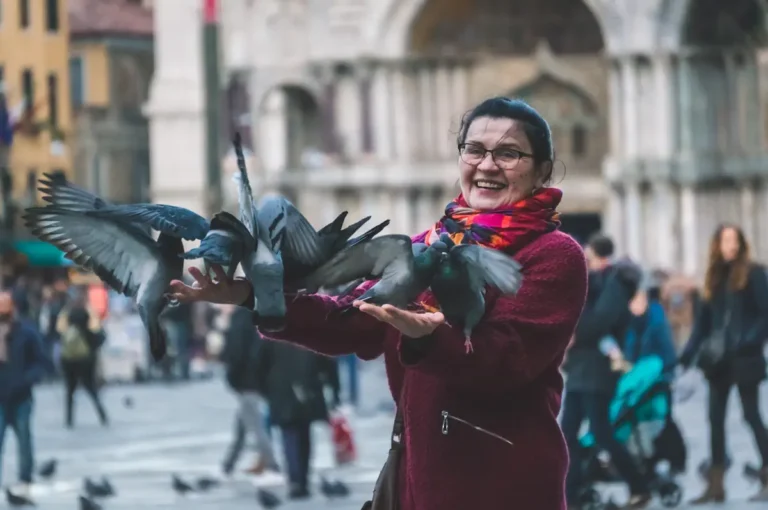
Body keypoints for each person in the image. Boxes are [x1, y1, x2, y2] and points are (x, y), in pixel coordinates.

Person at [170, 97, 589, 509]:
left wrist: (429, 338)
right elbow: (345, 319)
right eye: (474, 149)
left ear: (542, 172)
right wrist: (248, 294)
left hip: (501, 479)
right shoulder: (428, 243)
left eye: (509, 153)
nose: (486, 164)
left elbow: (507, 359)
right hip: (416, 474)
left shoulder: (553, 254)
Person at [561, 233, 652, 509]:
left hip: (598, 369)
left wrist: (573, 331)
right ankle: (571, 495)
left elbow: (601, 321)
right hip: (580, 368)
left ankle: (639, 485)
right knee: (567, 433)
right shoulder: (594, 282)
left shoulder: (614, 282)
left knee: (602, 432)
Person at [679, 224, 768, 503]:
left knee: (751, 416)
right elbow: (702, 325)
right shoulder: (712, 277)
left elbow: (765, 314)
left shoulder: (754, 273)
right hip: (717, 361)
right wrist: (686, 354)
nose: (730, 245)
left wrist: (747, 341)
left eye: (734, 240)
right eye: (724, 240)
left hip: (745, 358)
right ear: (717, 245)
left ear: (741, 244)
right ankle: (716, 486)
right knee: (714, 420)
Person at [252, 340, 339, 499]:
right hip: (308, 388)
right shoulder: (308, 331)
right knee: (304, 435)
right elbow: (327, 361)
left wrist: (265, 390)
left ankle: (296, 480)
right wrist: (334, 388)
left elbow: (259, 364)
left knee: (289, 436)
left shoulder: (273, 334)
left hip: (282, 390)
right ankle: (302, 479)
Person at [624, 275, 686, 474]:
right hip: (641, 379)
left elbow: (667, 351)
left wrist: (664, 373)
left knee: (664, 419)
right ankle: (653, 458)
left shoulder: (657, 320)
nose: (635, 304)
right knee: (648, 420)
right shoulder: (633, 321)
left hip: (659, 379)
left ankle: (677, 459)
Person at [0, 290, 49, 502]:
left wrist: (27, 379)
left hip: (21, 396)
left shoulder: (26, 333)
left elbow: (41, 361)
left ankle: (25, 479)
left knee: (24, 440)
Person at [220, 305, 278, 476]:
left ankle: (272, 463)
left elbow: (237, 349)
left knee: (254, 423)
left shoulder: (241, 316)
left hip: (247, 378)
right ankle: (229, 462)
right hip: (255, 377)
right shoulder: (262, 313)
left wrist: (233, 374)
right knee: (245, 420)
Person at [59, 306, 108, 428]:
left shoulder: (68, 336)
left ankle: (69, 419)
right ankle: (102, 415)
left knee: (70, 392)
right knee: (91, 390)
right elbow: (101, 339)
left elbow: (63, 354)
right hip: (86, 365)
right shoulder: (88, 333)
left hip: (70, 366)